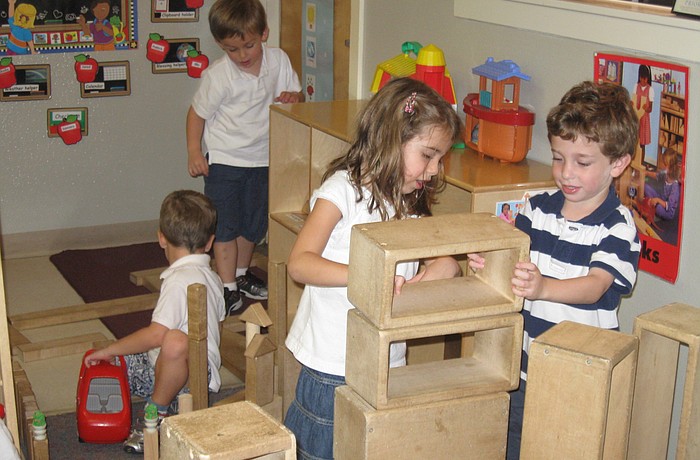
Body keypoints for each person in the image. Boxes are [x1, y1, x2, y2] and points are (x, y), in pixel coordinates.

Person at [283, 78, 482, 460]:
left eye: (440, 159)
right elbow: (300, 263)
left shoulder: (407, 202)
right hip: (333, 365)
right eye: (428, 155)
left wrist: (445, 268)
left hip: (386, 361)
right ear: (391, 139)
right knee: (321, 450)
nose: (434, 170)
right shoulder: (342, 191)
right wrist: (368, 276)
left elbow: (441, 261)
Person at [505, 81, 641, 459]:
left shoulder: (617, 226)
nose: (566, 173)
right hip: (525, 371)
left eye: (582, 163)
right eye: (558, 157)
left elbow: (595, 286)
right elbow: (514, 261)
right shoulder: (536, 209)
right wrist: (495, 265)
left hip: (580, 376)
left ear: (618, 164)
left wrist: (543, 288)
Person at [186, 0, 304, 315]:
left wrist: (293, 97)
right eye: (232, 50)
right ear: (220, 45)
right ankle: (227, 287)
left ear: (263, 34)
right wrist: (195, 151)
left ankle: (240, 274)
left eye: (248, 46)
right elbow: (197, 114)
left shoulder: (278, 61)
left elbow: (296, 96)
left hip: (263, 158)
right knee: (225, 225)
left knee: (252, 224)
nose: (242, 55)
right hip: (225, 161)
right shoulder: (219, 76)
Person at [83, 190, 226, 445]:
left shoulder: (178, 281)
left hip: (188, 380)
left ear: (161, 238)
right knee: (128, 356)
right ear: (209, 243)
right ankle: (167, 403)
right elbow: (219, 326)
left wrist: (110, 349)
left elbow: (156, 335)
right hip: (199, 372)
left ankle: (156, 412)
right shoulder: (214, 278)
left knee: (170, 341)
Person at [644, 147, 681, 222]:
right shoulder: (666, 173)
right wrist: (647, 173)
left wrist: (657, 200)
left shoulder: (675, 186)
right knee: (646, 187)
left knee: (657, 207)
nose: (663, 166)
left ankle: (654, 212)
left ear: (671, 167)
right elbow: (657, 175)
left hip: (667, 211)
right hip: (662, 199)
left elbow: (669, 207)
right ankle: (652, 206)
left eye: (665, 165)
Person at [634, 65, 654, 159]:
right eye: (642, 78)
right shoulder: (636, 86)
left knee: (642, 143)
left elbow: (650, 109)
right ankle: (633, 161)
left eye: (645, 79)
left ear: (648, 78)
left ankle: (641, 161)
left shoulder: (650, 89)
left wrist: (647, 108)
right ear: (639, 77)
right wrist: (631, 103)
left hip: (644, 119)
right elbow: (634, 101)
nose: (643, 81)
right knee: (634, 141)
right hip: (636, 117)